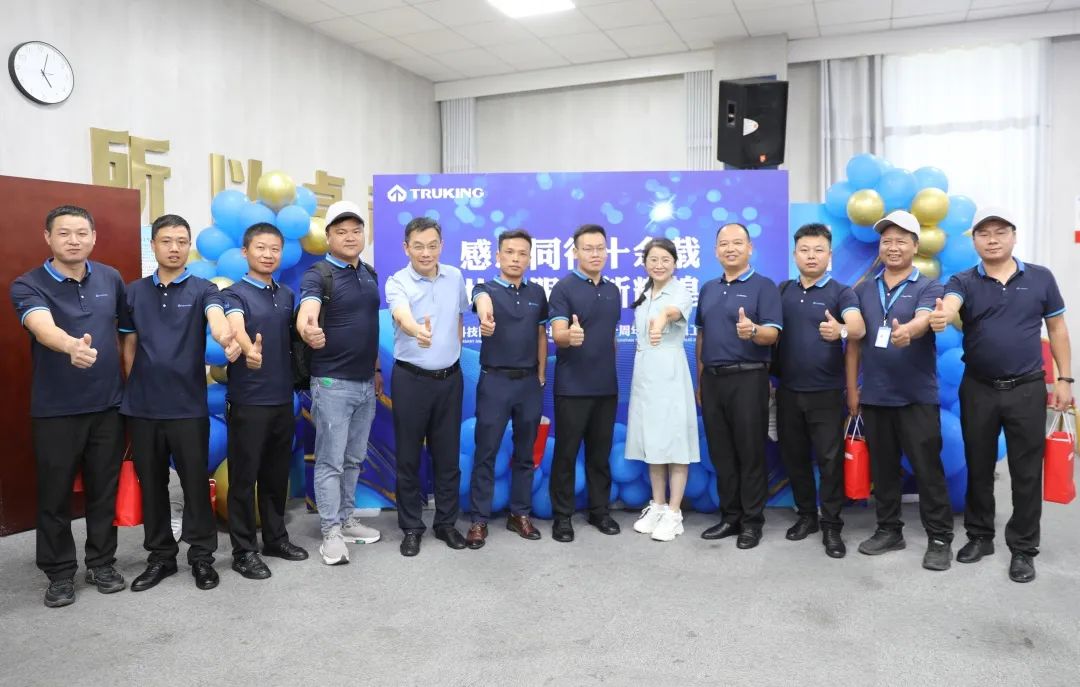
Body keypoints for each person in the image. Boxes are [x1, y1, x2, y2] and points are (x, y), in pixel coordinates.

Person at [930, 207, 1072, 583]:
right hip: (978, 388)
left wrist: (1065, 379)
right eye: (984, 233)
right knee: (978, 465)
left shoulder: (1040, 277)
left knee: (1026, 471)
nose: (992, 240)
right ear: (974, 240)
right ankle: (980, 537)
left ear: (1014, 236)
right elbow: (951, 303)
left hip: (1027, 388)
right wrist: (943, 314)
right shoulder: (962, 279)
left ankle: (1023, 549)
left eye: (1000, 232)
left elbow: (1057, 328)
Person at [10, 205, 132, 607]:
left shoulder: (111, 278)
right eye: (64, 233)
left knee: (103, 491)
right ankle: (60, 573)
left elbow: (126, 333)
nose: (74, 241)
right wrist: (70, 346)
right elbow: (41, 325)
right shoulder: (28, 284)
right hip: (56, 411)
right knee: (55, 496)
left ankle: (101, 563)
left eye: (81, 233)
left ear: (93, 237)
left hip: (108, 407)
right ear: (48, 237)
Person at [122, 214, 241, 591]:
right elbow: (129, 345)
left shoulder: (204, 289)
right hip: (143, 408)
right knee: (153, 485)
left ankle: (202, 557)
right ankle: (160, 557)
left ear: (189, 246)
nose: (174, 248)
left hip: (188, 407)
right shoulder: (133, 292)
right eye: (166, 241)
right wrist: (133, 387)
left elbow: (216, 318)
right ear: (153, 245)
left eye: (181, 241)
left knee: (194, 483)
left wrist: (225, 336)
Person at [845, 210, 954, 571]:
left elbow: (924, 318)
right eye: (887, 241)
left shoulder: (929, 286)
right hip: (875, 396)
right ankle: (889, 529)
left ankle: (939, 538)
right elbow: (855, 343)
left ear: (915, 246)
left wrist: (909, 330)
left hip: (916, 396)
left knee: (927, 469)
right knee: (884, 470)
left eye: (901, 241)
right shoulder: (863, 289)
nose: (893, 247)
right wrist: (852, 389)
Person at [296, 200, 383, 566]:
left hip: (365, 384)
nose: (350, 237)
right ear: (328, 237)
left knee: (353, 458)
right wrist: (308, 330)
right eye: (341, 231)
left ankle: (346, 519)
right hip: (332, 384)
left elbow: (369, 327)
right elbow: (308, 312)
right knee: (331, 461)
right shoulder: (319, 274)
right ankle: (330, 531)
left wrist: (376, 371)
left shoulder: (369, 273)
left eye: (356, 231)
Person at [221, 223, 309, 579]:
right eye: (260, 247)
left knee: (275, 476)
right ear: (246, 252)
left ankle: (275, 539)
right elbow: (235, 325)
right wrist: (247, 349)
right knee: (244, 480)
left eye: (274, 249)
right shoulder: (234, 294)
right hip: (248, 401)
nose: (268, 254)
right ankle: (243, 551)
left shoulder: (286, 294)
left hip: (282, 399)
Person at [775, 224, 866, 558]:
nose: (811, 256)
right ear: (795, 254)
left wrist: (840, 329)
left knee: (829, 462)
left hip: (827, 393)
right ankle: (806, 516)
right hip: (787, 391)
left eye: (818, 250)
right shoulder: (782, 290)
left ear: (829, 255)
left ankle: (831, 524)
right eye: (804, 250)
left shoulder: (842, 293)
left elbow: (858, 327)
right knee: (794, 457)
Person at [385, 216, 470, 557]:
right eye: (418, 246)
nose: (426, 253)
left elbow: (460, 316)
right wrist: (416, 330)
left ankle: (446, 523)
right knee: (408, 457)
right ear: (406, 248)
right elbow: (401, 314)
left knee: (447, 457)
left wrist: (451, 351)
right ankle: (411, 528)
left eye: (432, 246)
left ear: (441, 246)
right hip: (411, 379)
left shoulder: (455, 277)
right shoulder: (397, 281)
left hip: (450, 380)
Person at [696, 222, 782, 549]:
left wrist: (753, 331)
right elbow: (702, 336)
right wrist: (700, 380)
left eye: (737, 243)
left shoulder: (764, 286)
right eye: (723, 243)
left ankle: (751, 522)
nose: (730, 248)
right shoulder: (708, 288)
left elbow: (773, 334)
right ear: (716, 250)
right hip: (712, 381)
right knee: (722, 454)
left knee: (750, 453)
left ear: (750, 248)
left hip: (749, 378)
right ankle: (730, 517)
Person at [465, 230, 548, 549]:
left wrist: (541, 375)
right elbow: (480, 301)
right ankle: (479, 520)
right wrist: (485, 315)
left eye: (522, 253)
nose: (515, 258)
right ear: (498, 256)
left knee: (526, 453)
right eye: (509, 252)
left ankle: (520, 514)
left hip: (528, 383)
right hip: (495, 381)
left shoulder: (537, 293)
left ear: (529, 258)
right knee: (486, 451)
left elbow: (541, 335)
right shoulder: (485, 289)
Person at [548, 224, 622, 543]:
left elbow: (611, 338)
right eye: (588, 248)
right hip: (572, 388)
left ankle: (599, 511)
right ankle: (562, 517)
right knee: (566, 454)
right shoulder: (563, 288)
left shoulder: (613, 290)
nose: (595, 254)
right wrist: (569, 336)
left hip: (606, 387)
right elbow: (558, 334)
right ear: (576, 252)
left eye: (600, 248)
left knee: (599, 454)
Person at [625, 238, 700, 542]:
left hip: (669, 373)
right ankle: (657, 505)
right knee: (653, 442)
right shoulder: (644, 294)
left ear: (675, 263)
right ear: (645, 264)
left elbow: (671, 313)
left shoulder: (680, 291)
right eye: (653, 260)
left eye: (665, 260)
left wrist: (659, 322)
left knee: (675, 441)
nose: (659, 265)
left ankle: (674, 512)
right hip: (645, 374)